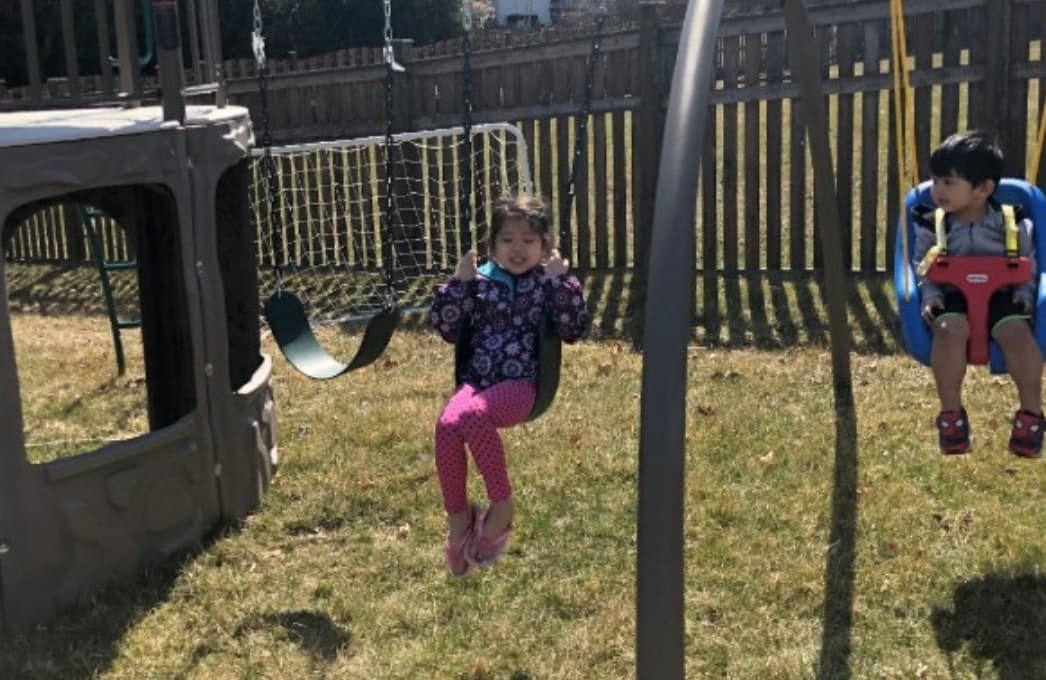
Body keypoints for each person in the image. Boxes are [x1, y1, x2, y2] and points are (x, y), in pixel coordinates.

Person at [429, 195, 589, 575]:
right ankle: (458, 520)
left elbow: (573, 329)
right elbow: (448, 329)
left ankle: (502, 506)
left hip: (522, 386)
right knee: (448, 425)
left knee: (469, 414)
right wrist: (459, 285)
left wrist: (559, 283)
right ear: (492, 245)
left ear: (545, 246)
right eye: (507, 241)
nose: (518, 249)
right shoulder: (481, 283)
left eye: (528, 241)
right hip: (477, 383)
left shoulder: (547, 284)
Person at [912, 130, 1044, 457]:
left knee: (1017, 335)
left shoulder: (1012, 222)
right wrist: (929, 295)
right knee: (946, 330)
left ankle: (1031, 414)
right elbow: (919, 265)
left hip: (1004, 296)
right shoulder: (931, 223)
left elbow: (1032, 263)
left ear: (983, 189)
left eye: (949, 182)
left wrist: (1027, 293)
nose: (937, 190)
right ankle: (951, 416)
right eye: (936, 180)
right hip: (951, 295)